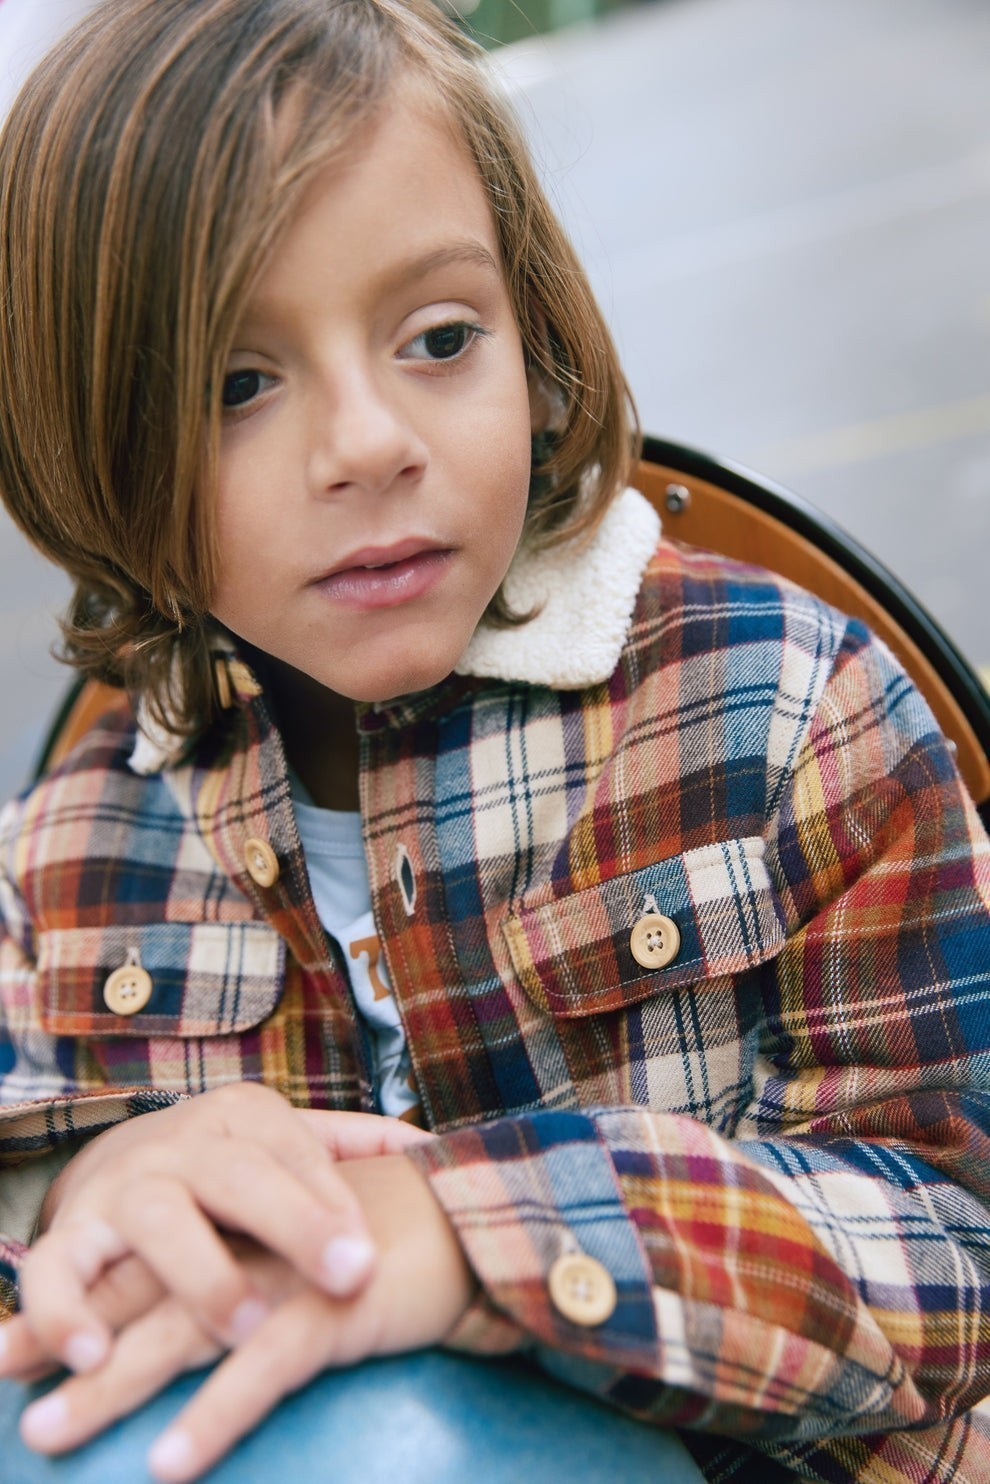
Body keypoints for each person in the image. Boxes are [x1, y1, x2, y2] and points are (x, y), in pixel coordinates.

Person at [0, 0, 988, 1481]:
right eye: (236, 385)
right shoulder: (63, 857)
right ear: (91, 446)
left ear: (533, 335)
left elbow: (954, 1241)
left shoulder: (787, 709)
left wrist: (482, 1236)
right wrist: (87, 1188)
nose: (368, 442)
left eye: (440, 338)